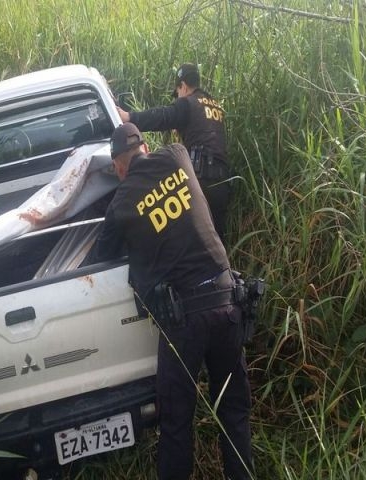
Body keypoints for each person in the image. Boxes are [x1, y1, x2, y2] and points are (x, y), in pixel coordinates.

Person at [95, 123, 253, 480]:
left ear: (118, 167)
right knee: (234, 410)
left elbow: (102, 254)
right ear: (146, 147)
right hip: (228, 301)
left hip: (185, 320)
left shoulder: (120, 203)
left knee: (177, 421)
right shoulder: (178, 156)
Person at [117, 63, 231, 238]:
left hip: (202, 181)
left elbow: (162, 116)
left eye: (177, 93)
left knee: (192, 240)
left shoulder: (187, 103)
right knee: (217, 243)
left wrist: (129, 117)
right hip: (222, 182)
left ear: (183, 86)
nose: (178, 97)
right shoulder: (214, 105)